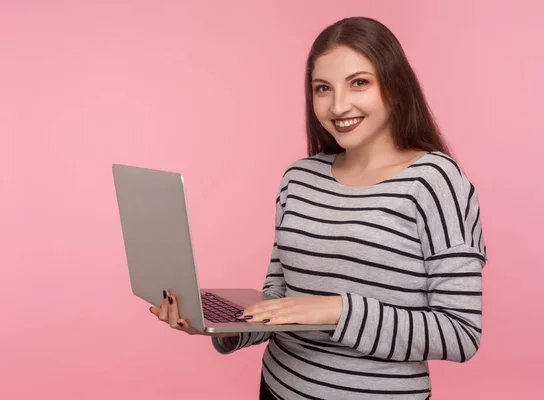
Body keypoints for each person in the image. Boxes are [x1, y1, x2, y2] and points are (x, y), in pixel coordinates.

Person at [149, 16, 487, 400]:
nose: (339, 105)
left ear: (395, 86)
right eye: (322, 88)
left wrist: (337, 310)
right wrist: (215, 323)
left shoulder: (436, 180)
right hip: (277, 388)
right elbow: (281, 301)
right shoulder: (299, 178)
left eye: (359, 82)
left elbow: (460, 333)